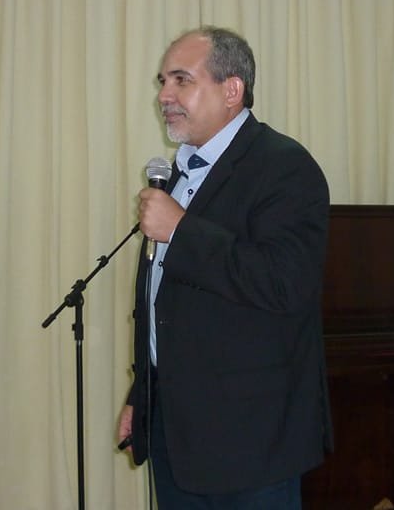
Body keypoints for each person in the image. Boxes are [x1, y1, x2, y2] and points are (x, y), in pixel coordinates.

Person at [117, 26, 332, 509]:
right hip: (176, 430)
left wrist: (181, 230)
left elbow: (285, 283)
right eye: (162, 82)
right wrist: (143, 394)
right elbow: (167, 303)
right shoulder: (180, 171)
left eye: (181, 80)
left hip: (250, 440)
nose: (164, 96)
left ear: (232, 90)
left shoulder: (284, 166)